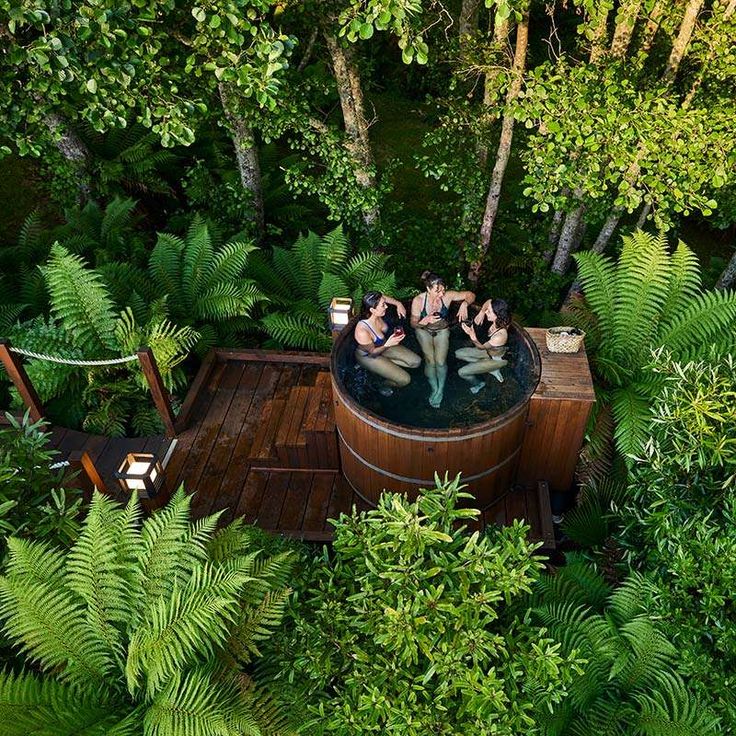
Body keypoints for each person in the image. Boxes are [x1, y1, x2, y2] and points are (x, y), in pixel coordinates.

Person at [410, 271, 475, 408]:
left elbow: (470, 295)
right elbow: (413, 323)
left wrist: (464, 304)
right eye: (437, 291)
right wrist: (424, 320)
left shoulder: (447, 296)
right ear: (428, 289)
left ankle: (441, 389)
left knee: (440, 361)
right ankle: (434, 388)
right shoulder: (419, 301)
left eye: (443, 290)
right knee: (430, 360)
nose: (441, 294)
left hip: (442, 330)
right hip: (424, 330)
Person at [354, 291, 421, 396]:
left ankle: (386, 364)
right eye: (383, 305)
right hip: (369, 355)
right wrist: (388, 344)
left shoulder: (376, 309)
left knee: (416, 362)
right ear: (372, 310)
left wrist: (398, 304)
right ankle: (382, 384)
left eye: (384, 303)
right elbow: (372, 353)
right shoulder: (362, 330)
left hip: (384, 346)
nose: (386, 306)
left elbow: (384, 298)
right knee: (405, 380)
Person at [456, 298, 511, 393]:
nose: (486, 312)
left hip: (497, 359)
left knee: (462, 372)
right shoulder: (499, 319)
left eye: (489, 312)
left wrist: (472, 336)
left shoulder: (500, 336)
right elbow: (489, 301)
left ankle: (479, 383)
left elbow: (481, 347)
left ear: (497, 315)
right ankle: (486, 366)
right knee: (458, 354)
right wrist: (481, 312)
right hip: (489, 352)